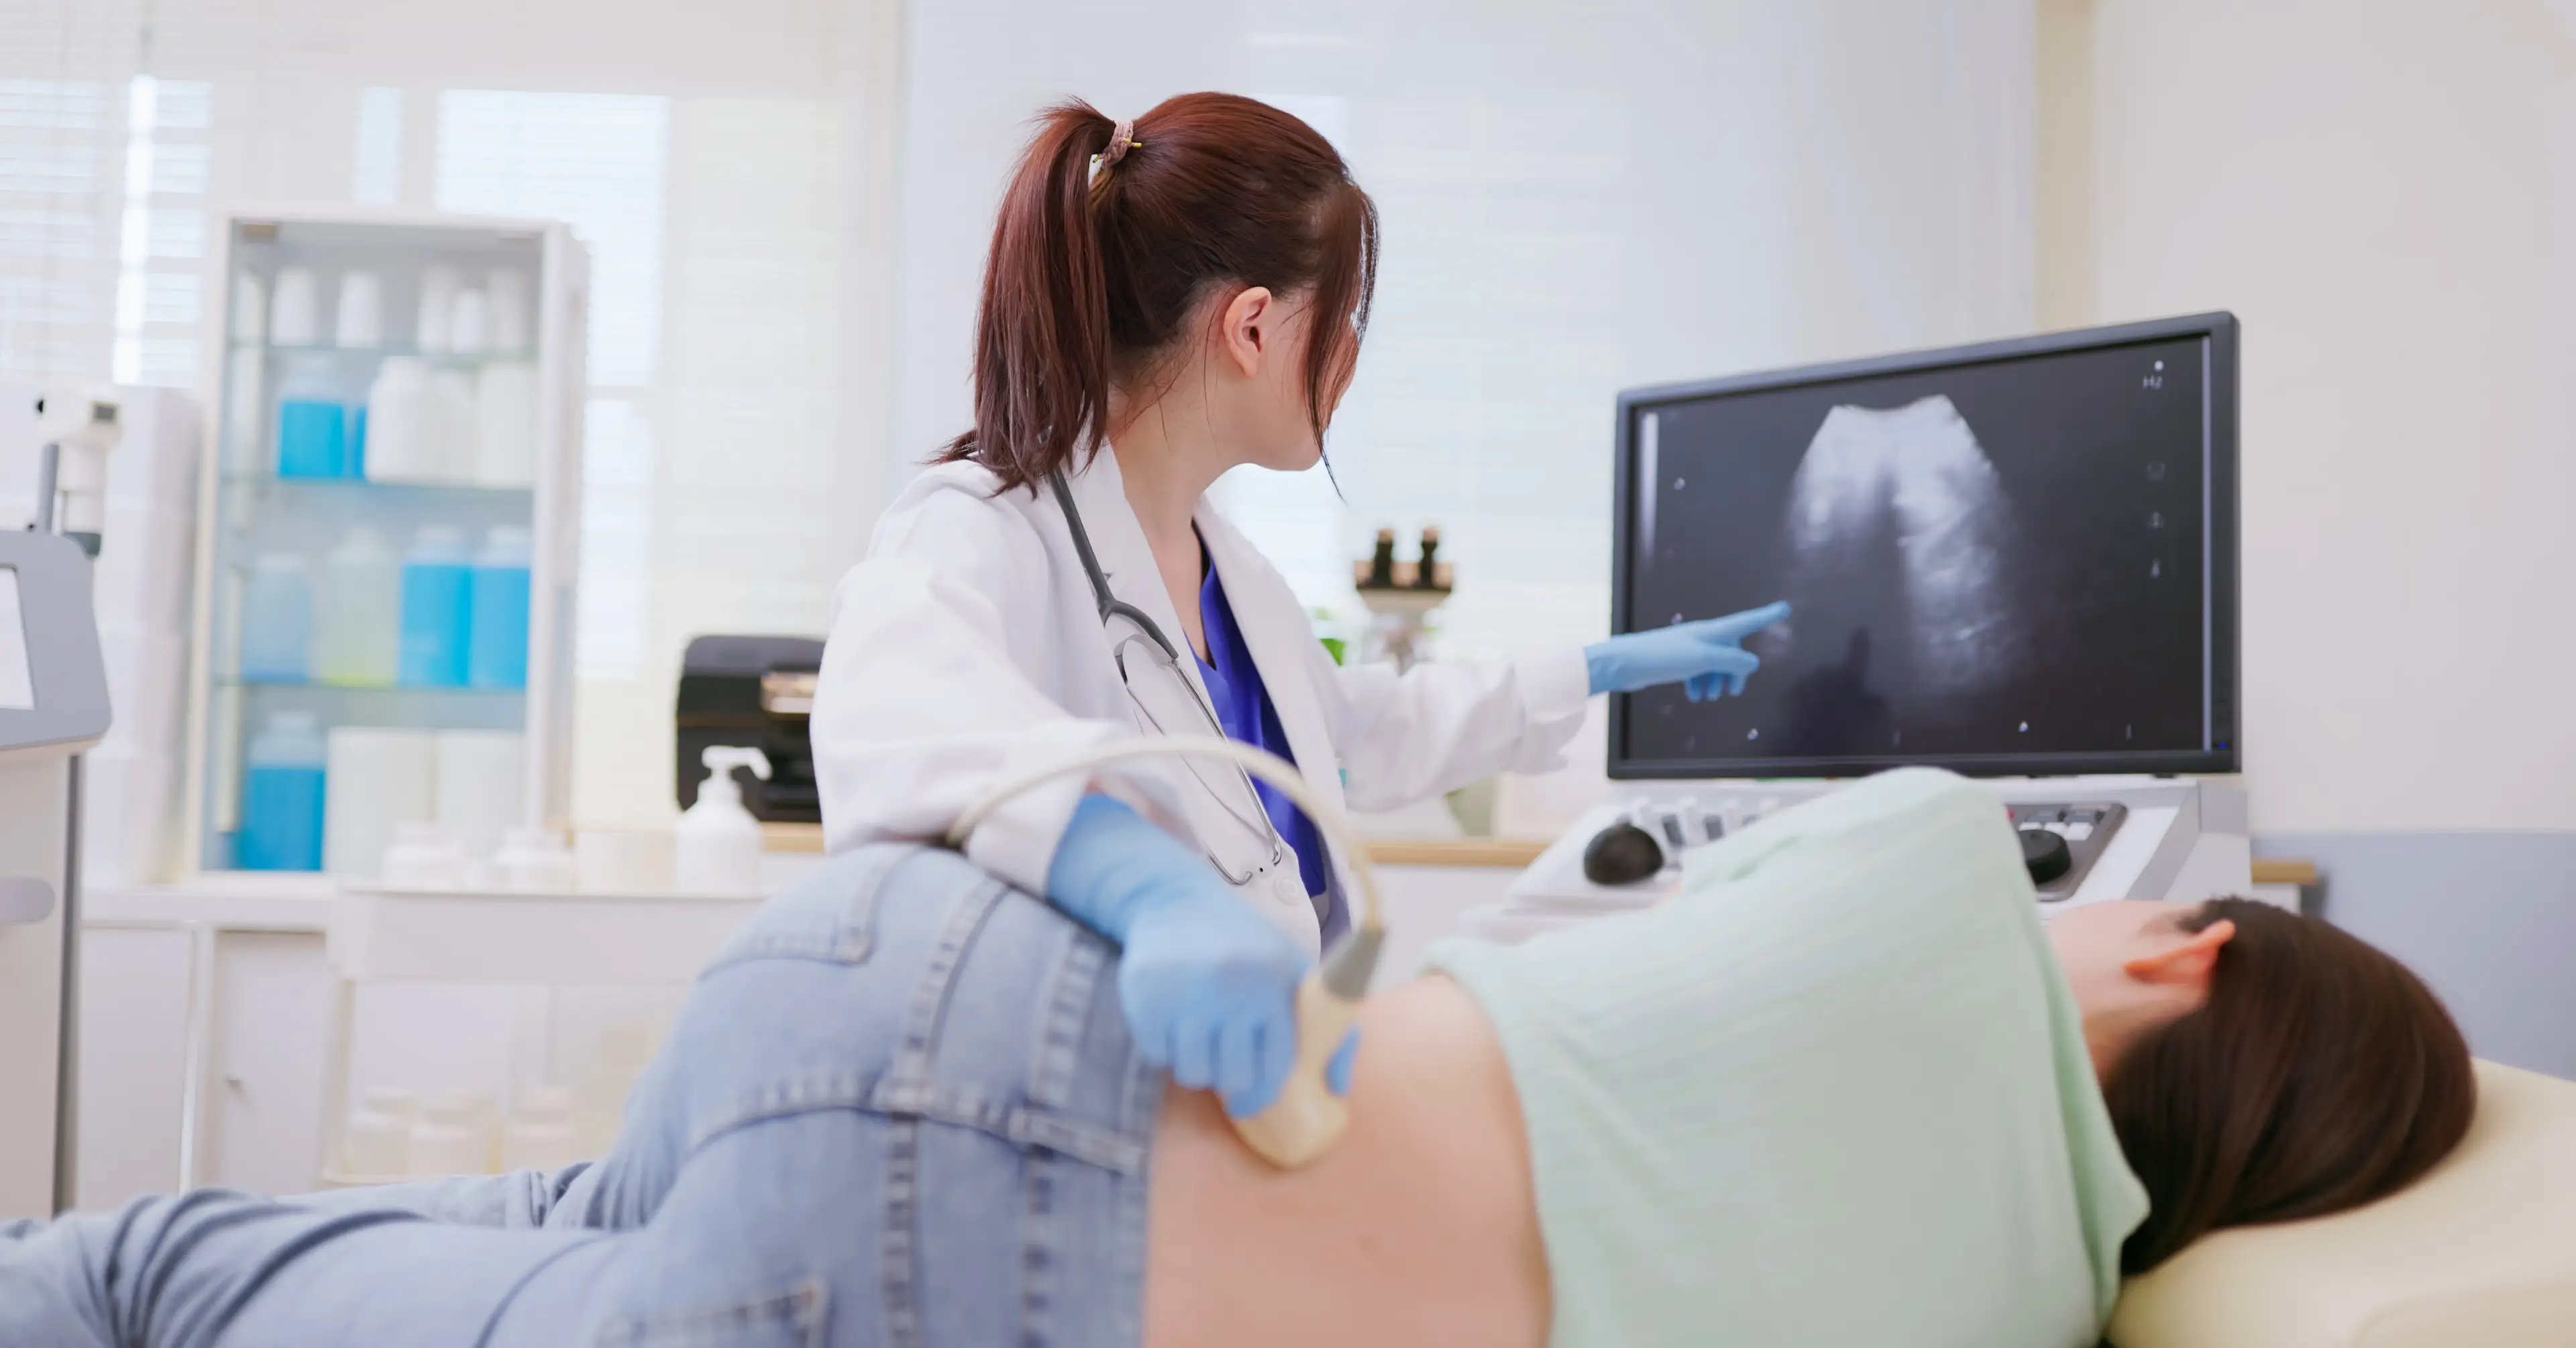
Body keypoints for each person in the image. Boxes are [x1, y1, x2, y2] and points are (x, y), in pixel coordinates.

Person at [0, 770, 2473, 1348]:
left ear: (2193, 959)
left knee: (157, 1260)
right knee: (174, 1294)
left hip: (950, 1003)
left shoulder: (1941, 852)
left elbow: (1547, 954)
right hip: (958, 1249)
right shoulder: (2004, 1319)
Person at [812, 92, 1789, 1119]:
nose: (1353, 362)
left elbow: (1345, 739)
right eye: (1349, 321)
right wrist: (1140, 879)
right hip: (1065, 1136)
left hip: (1247, 1120)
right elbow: (900, 723)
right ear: (1253, 326)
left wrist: (1591, 669)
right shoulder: (981, 527)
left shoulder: (1232, 571)